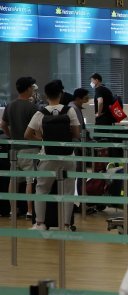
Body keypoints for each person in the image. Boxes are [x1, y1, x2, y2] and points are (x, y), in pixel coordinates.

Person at [25, 80, 81, 230]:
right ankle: (66, 225)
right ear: (61, 94)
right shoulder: (70, 111)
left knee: (42, 189)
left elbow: (27, 134)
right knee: (68, 192)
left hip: (47, 156)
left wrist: (43, 139)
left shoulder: (40, 113)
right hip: (68, 156)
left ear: (46, 95)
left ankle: (40, 224)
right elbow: (76, 133)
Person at [1, 76, 39, 218]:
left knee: (13, 179)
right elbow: (36, 129)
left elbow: (3, 125)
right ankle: (30, 211)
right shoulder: (32, 107)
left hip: (14, 148)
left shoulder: (10, 105)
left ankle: (12, 210)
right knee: (30, 180)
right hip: (29, 148)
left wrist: (11, 136)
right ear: (28, 88)